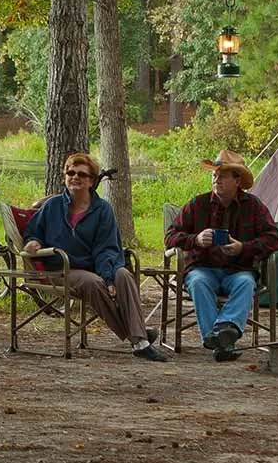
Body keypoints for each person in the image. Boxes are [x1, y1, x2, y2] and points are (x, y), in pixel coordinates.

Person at [23, 152, 169, 362]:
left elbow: (107, 249)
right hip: (61, 268)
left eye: (81, 174)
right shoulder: (52, 206)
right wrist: (34, 241)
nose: (75, 177)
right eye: (70, 173)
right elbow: (32, 231)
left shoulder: (103, 210)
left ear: (91, 181)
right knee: (93, 283)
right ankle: (139, 338)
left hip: (94, 265)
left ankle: (140, 342)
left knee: (123, 275)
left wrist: (109, 277)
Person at [164, 149, 278, 362]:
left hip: (238, 270)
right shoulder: (197, 204)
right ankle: (223, 340)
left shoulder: (253, 206)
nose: (216, 179)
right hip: (203, 268)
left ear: (237, 180)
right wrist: (196, 240)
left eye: (222, 175)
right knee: (199, 281)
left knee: (246, 282)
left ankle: (217, 335)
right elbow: (170, 236)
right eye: (214, 175)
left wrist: (243, 248)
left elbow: (275, 239)